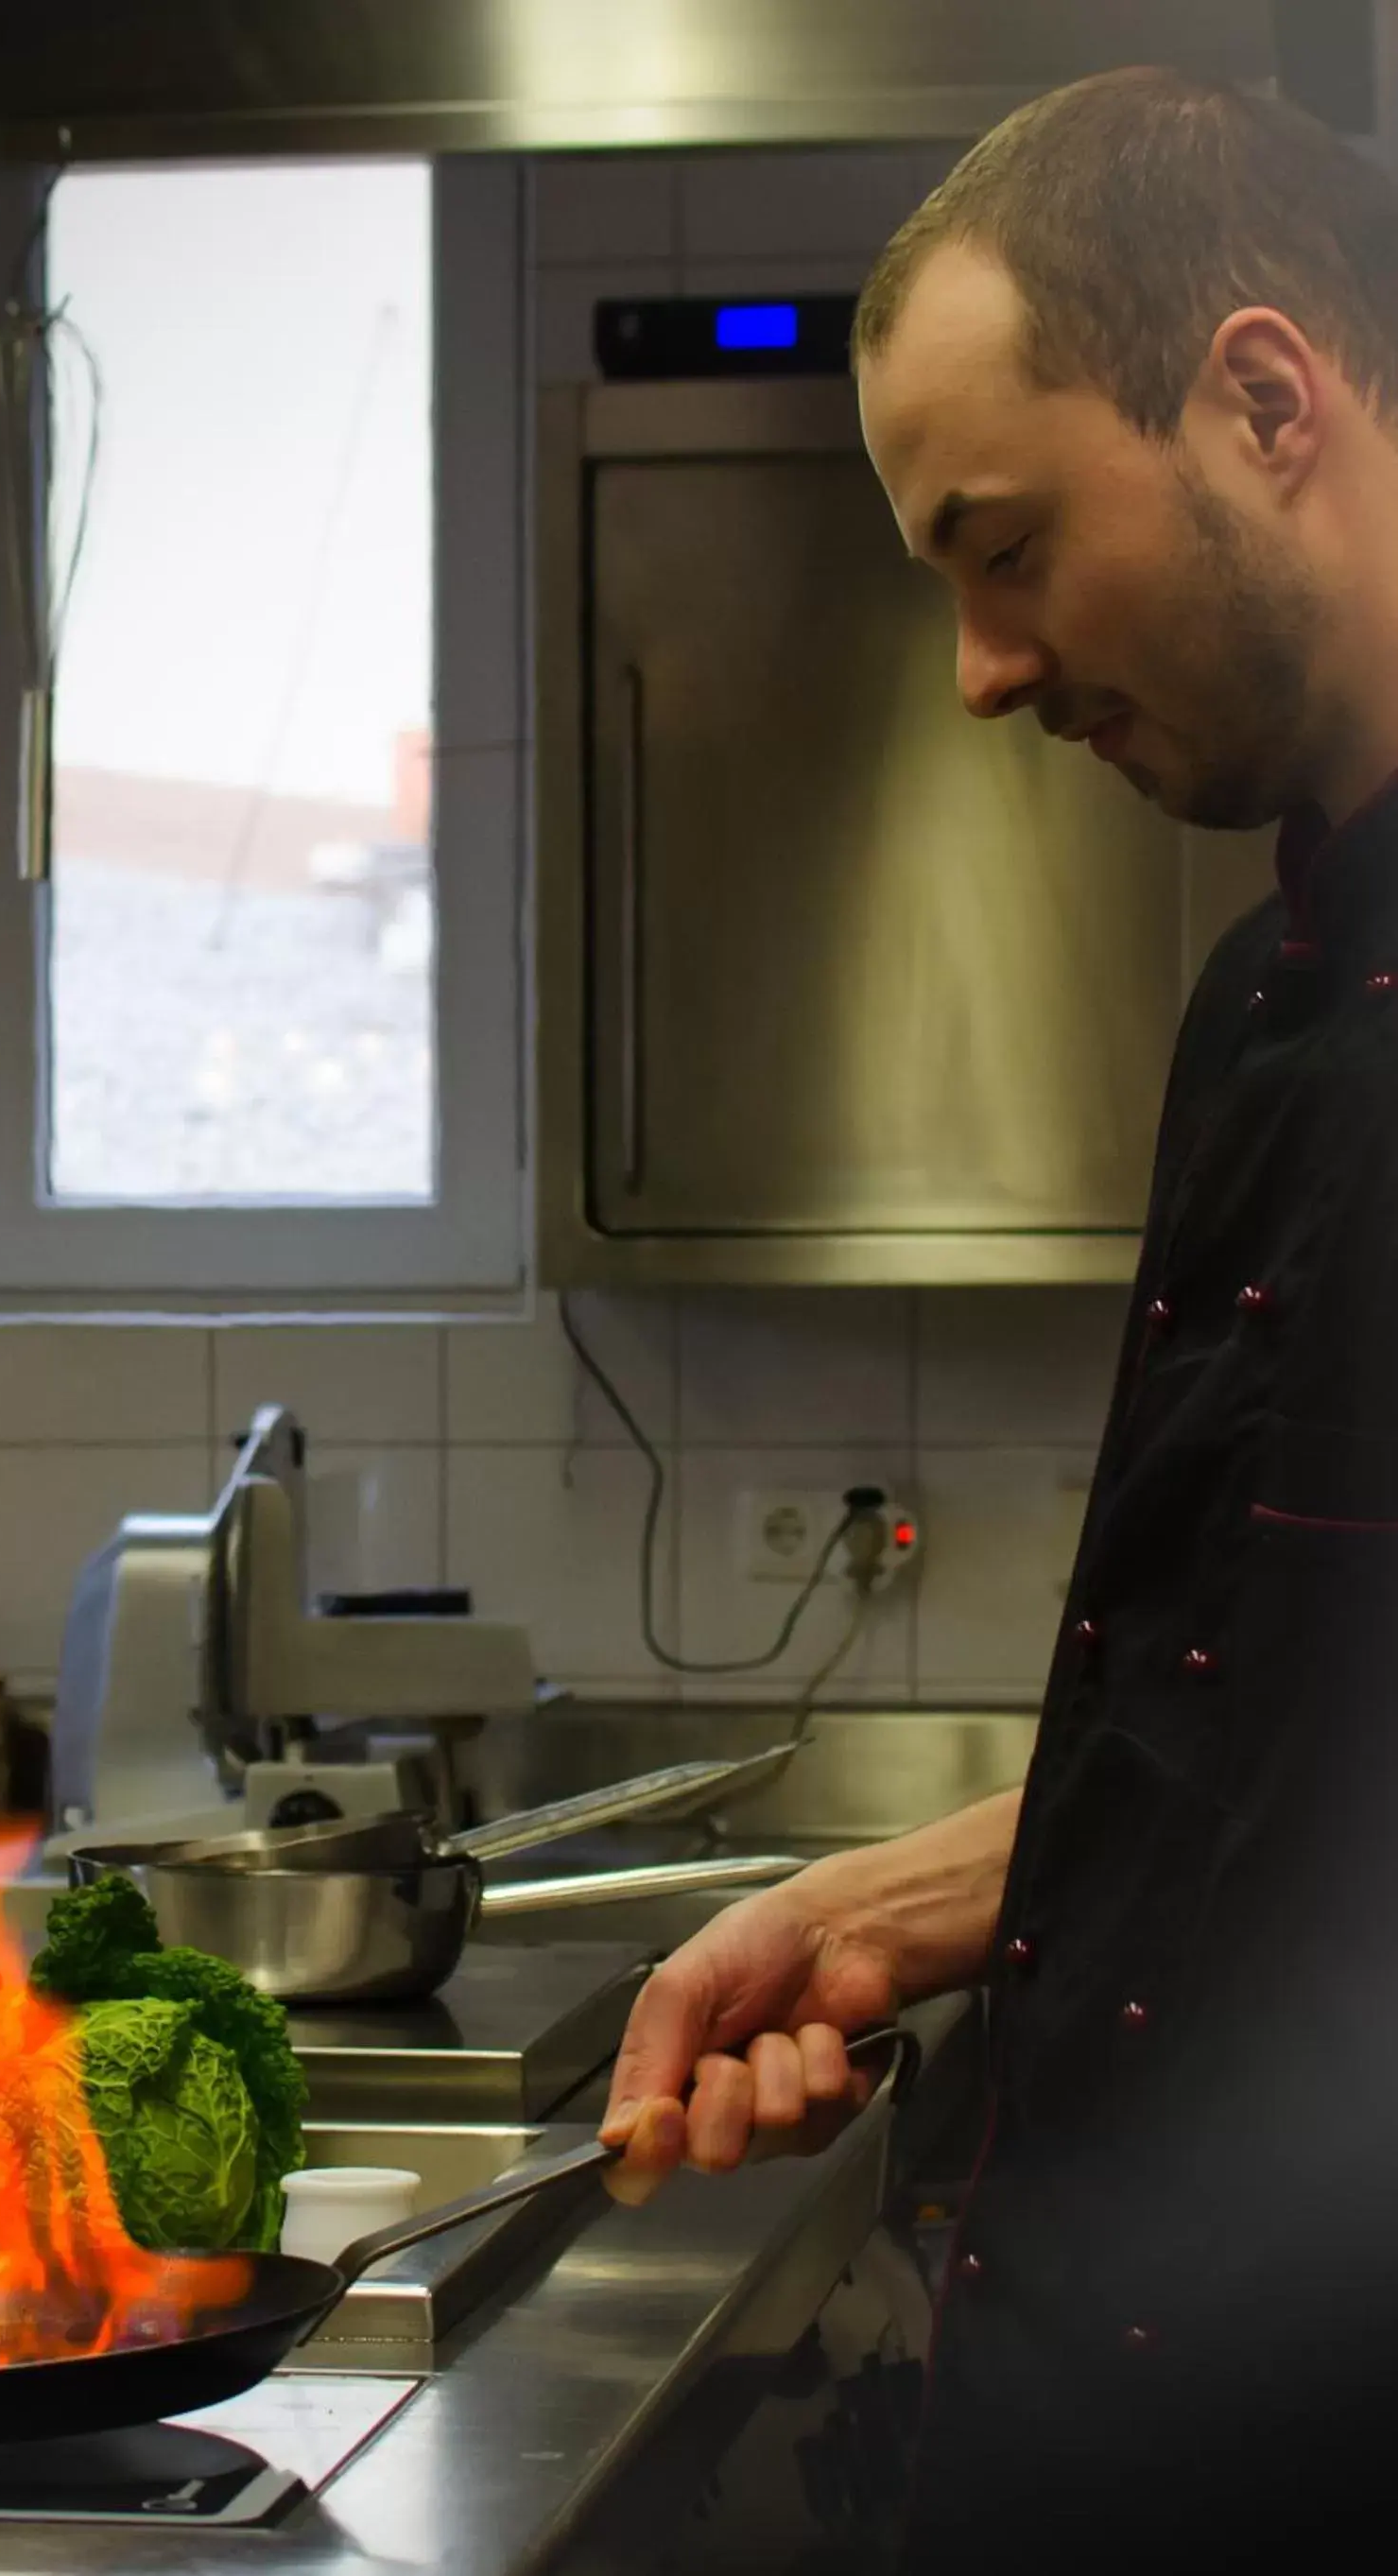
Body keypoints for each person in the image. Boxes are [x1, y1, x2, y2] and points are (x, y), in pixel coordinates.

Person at [597, 67, 1398, 2569]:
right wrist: (885, 1910)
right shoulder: (1267, 1002)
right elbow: (1272, 1720)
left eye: (1005, 543)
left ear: (1263, 401)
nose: (974, 668)